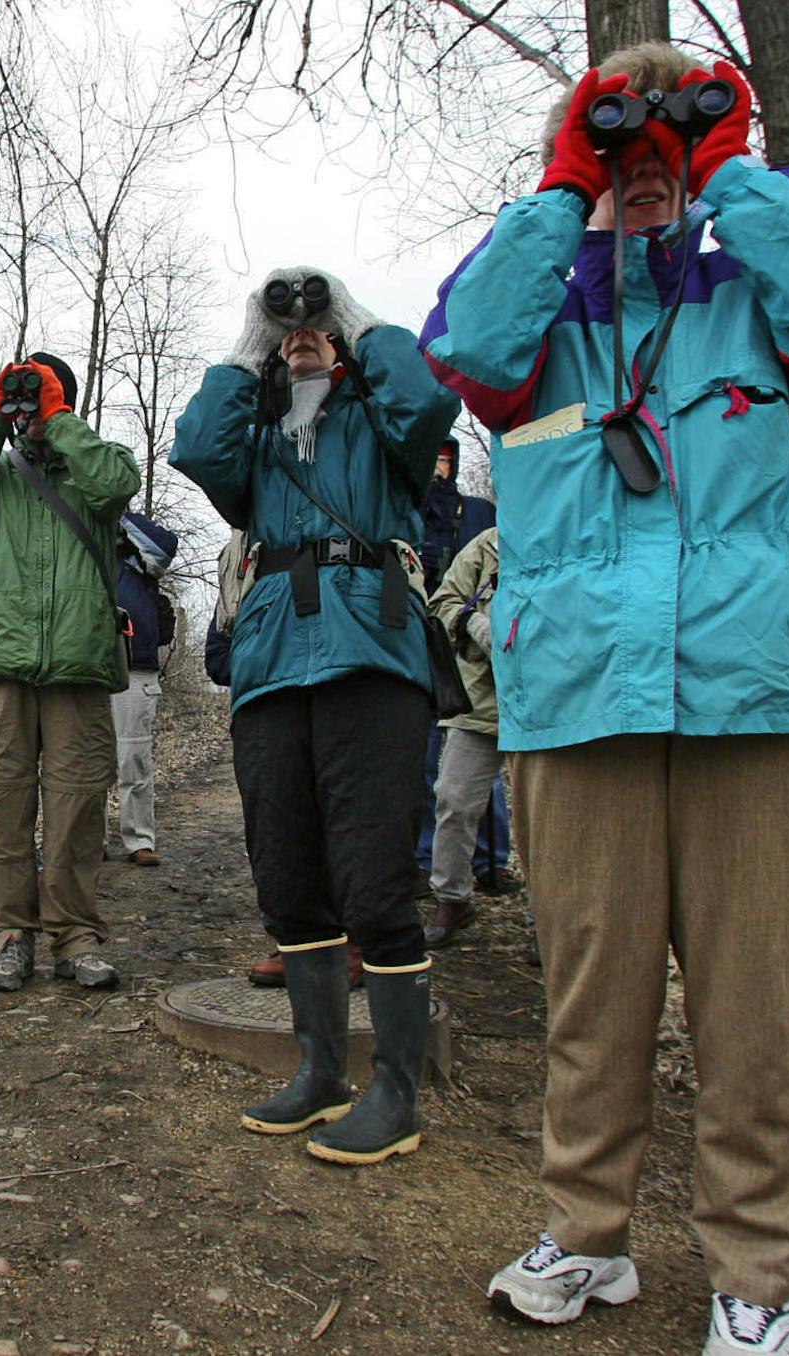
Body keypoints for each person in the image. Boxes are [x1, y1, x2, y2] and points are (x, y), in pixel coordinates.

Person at [420, 44, 789, 1355]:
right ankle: (589, 1239)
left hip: (752, 691)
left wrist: (725, 165)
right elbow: (464, 350)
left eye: (664, 163)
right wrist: (565, 185)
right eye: (620, 162)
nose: (645, 182)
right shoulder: (537, 311)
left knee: (758, 1003)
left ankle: (756, 1273)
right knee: (594, 993)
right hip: (579, 691)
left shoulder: (751, 287)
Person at [173, 266, 461, 1167]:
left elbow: (426, 403)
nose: (304, 333)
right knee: (288, 875)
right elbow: (194, 447)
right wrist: (254, 338)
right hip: (268, 665)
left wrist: (352, 317)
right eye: (292, 327)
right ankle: (320, 1072)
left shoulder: (380, 426)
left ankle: (397, 1094)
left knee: (374, 881)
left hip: (372, 655)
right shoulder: (254, 441)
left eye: (315, 328)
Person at [0, 352, 140, 992]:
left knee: (75, 810)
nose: (29, 406)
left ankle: (76, 935)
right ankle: (9, 935)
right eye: (25, 396)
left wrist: (58, 419)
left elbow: (118, 487)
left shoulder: (96, 462)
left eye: (42, 394)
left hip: (79, 667)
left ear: (64, 399)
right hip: (1, 667)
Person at [415, 439, 510, 891]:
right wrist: (472, 623)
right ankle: (446, 888)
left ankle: (494, 864)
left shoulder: (477, 512)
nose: (440, 467)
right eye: (434, 457)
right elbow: (443, 598)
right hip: (451, 665)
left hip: (544, 688)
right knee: (441, 778)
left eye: (446, 460)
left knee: (537, 803)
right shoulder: (412, 510)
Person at [423, 526, 501, 948]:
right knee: (453, 798)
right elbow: (442, 603)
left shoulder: (569, 531)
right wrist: (474, 623)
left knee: (547, 818)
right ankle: (452, 899)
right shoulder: (487, 544)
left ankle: (548, 921)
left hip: (552, 701)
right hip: (481, 700)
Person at [105, 511, 179, 867]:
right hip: (86, 667)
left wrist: (118, 513)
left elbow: (166, 548)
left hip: (136, 668)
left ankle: (139, 840)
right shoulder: (81, 538)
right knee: (86, 761)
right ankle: (88, 839)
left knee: (133, 758)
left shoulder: (139, 550)